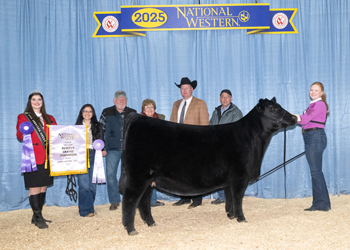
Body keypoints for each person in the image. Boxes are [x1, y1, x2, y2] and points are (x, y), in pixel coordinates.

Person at [16, 91, 57, 229]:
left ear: (42, 101)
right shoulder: (23, 117)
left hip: (47, 157)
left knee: (43, 185)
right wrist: (23, 131)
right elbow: (20, 135)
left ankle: (37, 215)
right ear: (30, 101)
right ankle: (38, 217)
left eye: (39, 99)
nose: (37, 102)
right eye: (34, 99)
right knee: (34, 186)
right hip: (32, 156)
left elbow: (57, 135)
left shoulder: (50, 117)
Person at [170, 77, 209, 209]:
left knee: (195, 172)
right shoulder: (176, 104)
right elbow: (171, 124)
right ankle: (184, 197)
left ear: (192, 89)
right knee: (180, 172)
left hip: (195, 143)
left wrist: (202, 144)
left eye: (187, 88)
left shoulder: (200, 103)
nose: (184, 90)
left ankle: (197, 199)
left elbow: (204, 125)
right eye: (182, 88)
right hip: (178, 144)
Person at [293, 82, 331, 211]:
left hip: (315, 137)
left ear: (321, 92)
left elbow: (304, 119)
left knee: (315, 172)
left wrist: (289, 116)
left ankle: (321, 204)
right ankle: (322, 203)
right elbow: (305, 120)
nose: (313, 92)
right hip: (312, 137)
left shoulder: (319, 104)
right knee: (316, 172)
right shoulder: (314, 105)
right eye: (311, 90)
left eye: (316, 90)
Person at [99, 90, 136, 211]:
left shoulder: (133, 113)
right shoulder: (106, 112)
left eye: (124, 99)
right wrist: (102, 147)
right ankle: (114, 200)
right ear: (114, 101)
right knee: (110, 175)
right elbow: (100, 129)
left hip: (129, 149)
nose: (121, 101)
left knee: (132, 175)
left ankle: (131, 200)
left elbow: (138, 132)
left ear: (126, 101)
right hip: (112, 149)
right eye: (119, 99)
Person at [209, 89, 243, 205]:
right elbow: (211, 127)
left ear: (231, 99)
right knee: (218, 172)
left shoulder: (236, 112)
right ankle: (221, 196)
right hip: (216, 146)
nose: (225, 99)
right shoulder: (216, 111)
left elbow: (237, 130)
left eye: (227, 97)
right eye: (222, 97)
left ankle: (231, 197)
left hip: (229, 147)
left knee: (230, 172)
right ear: (220, 98)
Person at [75, 104, 103, 217]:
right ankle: (84, 210)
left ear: (93, 113)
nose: (87, 113)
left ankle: (90, 208)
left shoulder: (98, 126)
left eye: (90, 111)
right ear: (81, 113)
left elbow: (101, 140)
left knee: (92, 185)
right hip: (80, 155)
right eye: (85, 111)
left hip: (94, 154)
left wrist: (103, 149)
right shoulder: (75, 127)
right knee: (84, 185)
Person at [140, 99, 165, 207]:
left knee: (154, 176)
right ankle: (142, 201)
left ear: (154, 109)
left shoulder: (161, 119)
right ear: (143, 110)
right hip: (143, 152)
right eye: (147, 107)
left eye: (151, 107)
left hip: (157, 152)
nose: (149, 109)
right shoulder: (139, 121)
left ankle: (153, 200)